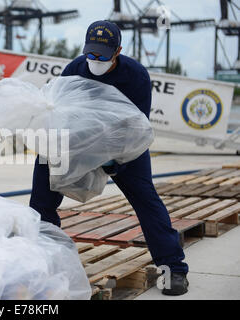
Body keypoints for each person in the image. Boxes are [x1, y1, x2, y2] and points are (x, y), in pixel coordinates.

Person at [29, 20, 189, 296]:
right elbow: (60, 113)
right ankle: (44, 256)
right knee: (42, 185)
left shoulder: (136, 76)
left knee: (145, 198)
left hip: (125, 144)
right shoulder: (75, 69)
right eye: (90, 53)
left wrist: (116, 161)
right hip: (79, 140)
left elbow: (137, 129)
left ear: (118, 52)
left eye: (102, 55)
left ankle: (173, 269)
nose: (95, 60)